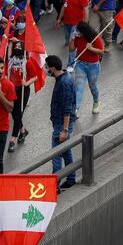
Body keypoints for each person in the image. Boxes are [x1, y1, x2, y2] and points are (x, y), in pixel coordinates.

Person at [46, 55, 77, 191]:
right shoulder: (65, 77)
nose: (45, 69)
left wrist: (64, 130)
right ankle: (71, 179)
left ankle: (55, 186)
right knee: (66, 152)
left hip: (61, 125)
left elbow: (67, 108)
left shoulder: (64, 83)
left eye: (46, 67)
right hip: (61, 123)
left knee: (56, 155)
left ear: (52, 68)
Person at [7, 40, 39, 151]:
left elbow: (35, 77)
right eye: (16, 46)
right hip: (11, 90)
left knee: (18, 114)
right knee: (13, 112)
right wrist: (11, 41)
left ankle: (13, 139)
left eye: (20, 46)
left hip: (23, 91)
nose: (18, 48)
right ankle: (23, 130)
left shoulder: (27, 62)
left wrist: (26, 83)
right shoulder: (10, 61)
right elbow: (9, 48)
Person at [56, 0, 90, 70]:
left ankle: (71, 64)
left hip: (77, 24)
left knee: (71, 44)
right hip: (67, 23)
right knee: (69, 42)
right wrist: (59, 19)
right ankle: (78, 56)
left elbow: (86, 9)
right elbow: (64, 6)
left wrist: (85, 24)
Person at [70, 21, 105, 114]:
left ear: (84, 31)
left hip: (93, 66)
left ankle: (96, 102)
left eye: (79, 31)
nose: (77, 32)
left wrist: (91, 49)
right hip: (80, 64)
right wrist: (72, 39)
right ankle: (76, 109)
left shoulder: (95, 38)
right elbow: (71, 49)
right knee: (79, 86)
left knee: (92, 86)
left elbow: (101, 52)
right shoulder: (78, 37)